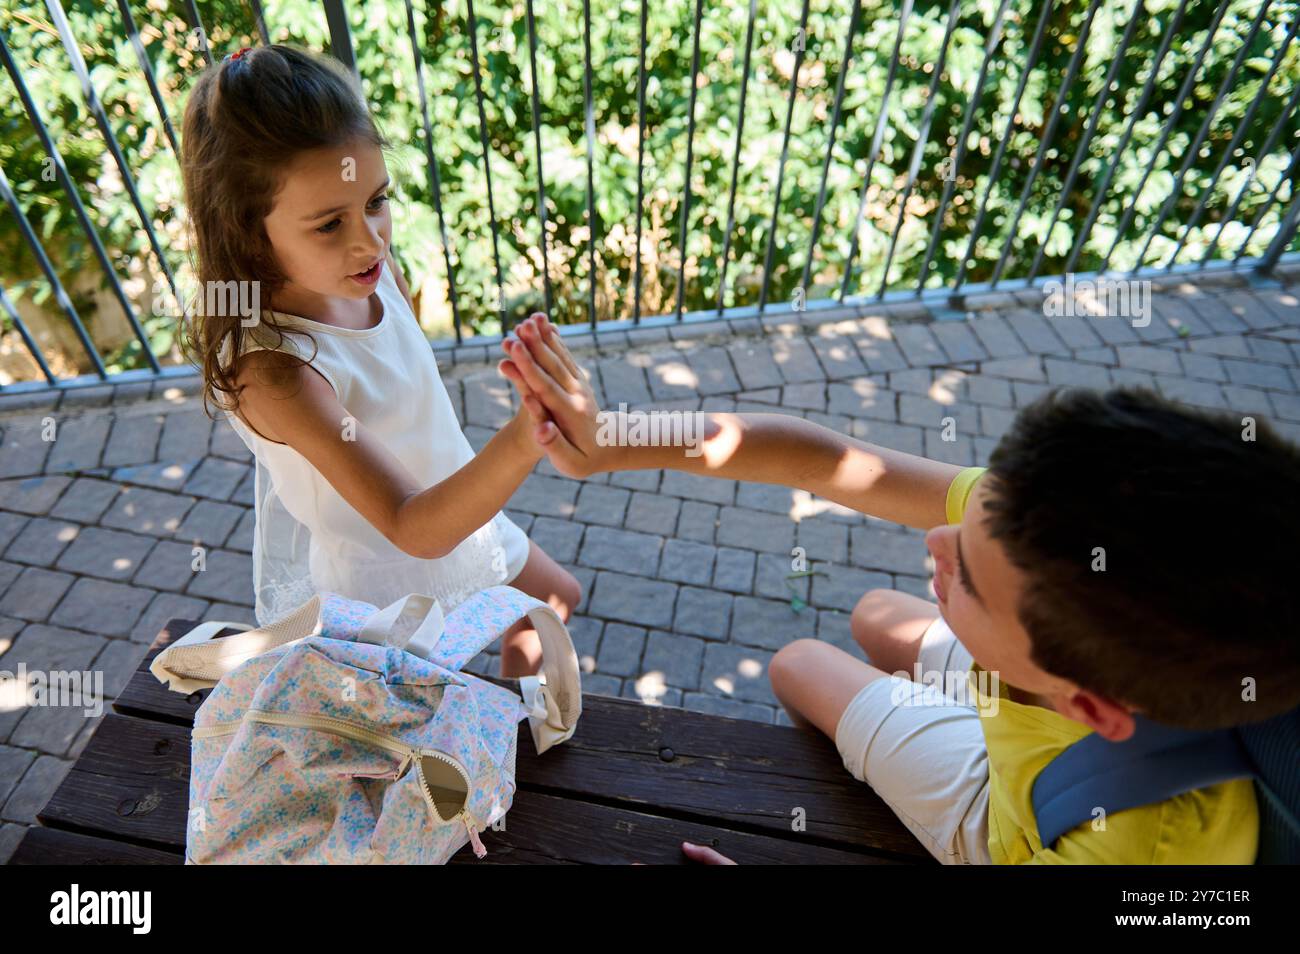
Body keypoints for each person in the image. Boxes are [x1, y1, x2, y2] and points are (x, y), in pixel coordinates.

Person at [499, 312, 1296, 864]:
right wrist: (614, 442)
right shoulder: (1050, 537)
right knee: (877, 614)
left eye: (971, 578)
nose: (937, 538)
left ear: (1087, 702)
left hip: (1020, 822)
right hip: (1036, 715)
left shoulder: (1137, 858)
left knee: (798, 663)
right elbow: (823, 461)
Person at [177, 46, 579, 677]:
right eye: (329, 224)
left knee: (554, 600)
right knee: (421, 699)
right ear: (247, 232)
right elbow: (409, 526)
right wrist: (526, 437)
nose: (370, 239)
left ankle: (508, 723)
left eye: (376, 201)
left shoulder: (371, 272)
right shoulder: (275, 371)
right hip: (389, 574)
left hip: (460, 507)